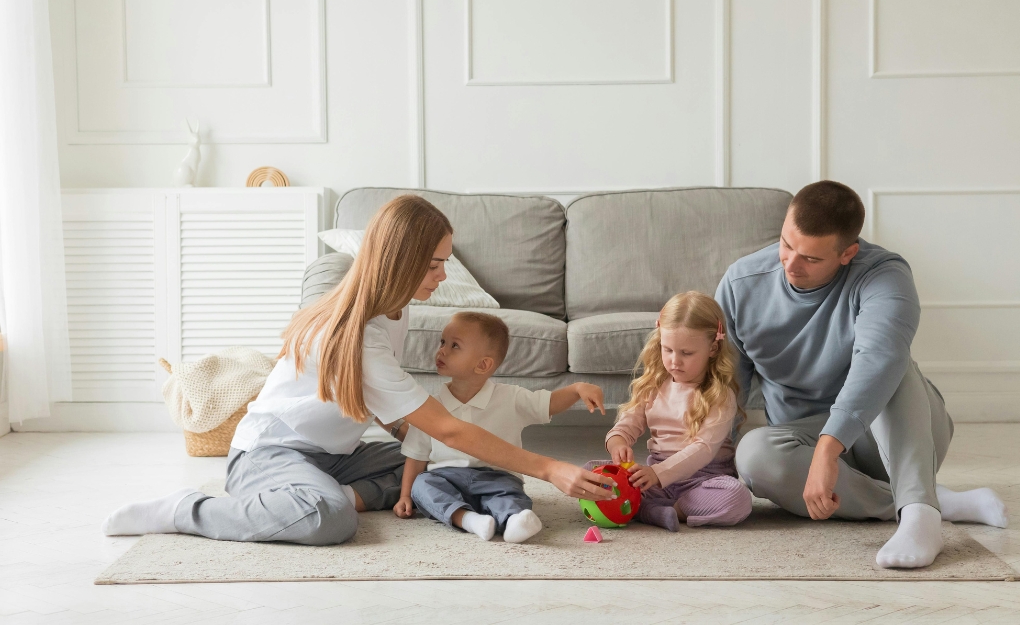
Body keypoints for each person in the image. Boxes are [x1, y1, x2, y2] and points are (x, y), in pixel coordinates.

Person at [102, 195, 613, 544]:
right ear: (402, 261)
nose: (442, 275)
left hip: (333, 457)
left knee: (429, 468)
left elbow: (401, 420)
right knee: (329, 518)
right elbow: (451, 427)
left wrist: (407, 440)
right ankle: (185, 511)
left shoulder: (396, 308)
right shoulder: (359, 331)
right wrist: (549, 468)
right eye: (435, 264)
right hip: (266, 455)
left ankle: (323, 493)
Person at [720, 181, 1007, 569]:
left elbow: (880, 358)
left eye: (810, 258)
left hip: (892, 434)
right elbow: (723, 383)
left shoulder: (885, 275)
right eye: (786, 245)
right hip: (801, 443)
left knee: (894, 363)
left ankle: (921, 514)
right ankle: (927, 501)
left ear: (847, 253)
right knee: (753, 454)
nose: (790, 264)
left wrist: (828, 447)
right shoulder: (741, 283)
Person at [393, 311, 606, 543]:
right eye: (443, 342)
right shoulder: (431, 407)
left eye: (455, 346)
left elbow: (548, 404)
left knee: (509, 494)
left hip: (497, 476)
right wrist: (405, 495)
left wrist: (576, 389)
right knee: (422, 485)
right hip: (446, 477)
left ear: (483, 364)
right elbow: (416, 456)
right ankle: (469, 520)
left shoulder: (510, 398)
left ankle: (515, 520)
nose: (441, 350)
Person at [601, 291, 753, 532]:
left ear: (713, 348)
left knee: (737, 499)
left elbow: (703, 450)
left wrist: (658, 473)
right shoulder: (652, 384)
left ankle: (658, 510)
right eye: (667, 349)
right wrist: (618, 443)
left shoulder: (720, 395)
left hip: (704, 478)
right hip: (656, 476)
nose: (674, 361)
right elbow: (626, 425)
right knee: (592, 472)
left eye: (686, 353)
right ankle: (654, 505)